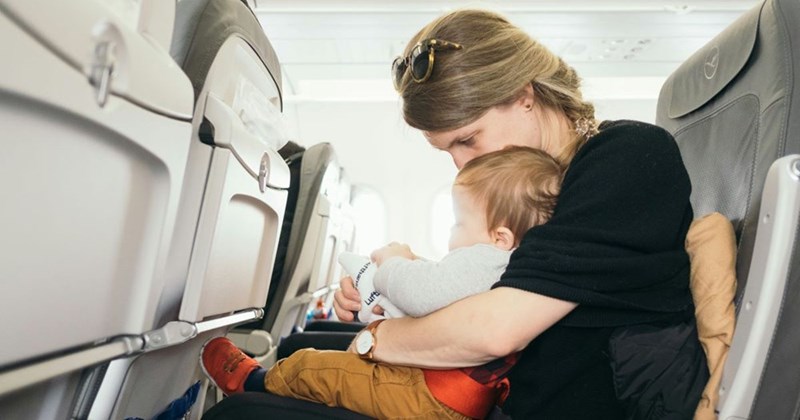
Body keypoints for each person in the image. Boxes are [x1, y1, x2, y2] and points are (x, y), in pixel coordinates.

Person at [330, 8, 709, 419]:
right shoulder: (528, 186)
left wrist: (377, 338)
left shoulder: (627, 157)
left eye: (468, 140)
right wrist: (387, 289)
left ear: (524, 97)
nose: (461, 165)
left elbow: (496, 330)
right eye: (447, 151)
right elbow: (507, 282)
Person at [201, 146, 565, 420]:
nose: (452, 235)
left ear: (500, 237)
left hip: (429, 397)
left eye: (458, 224)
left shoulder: (487, 258)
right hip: (446, 396)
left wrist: (393, 262)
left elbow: (422, 294)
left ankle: (253, 381)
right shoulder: (508, 265)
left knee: (318, 368)